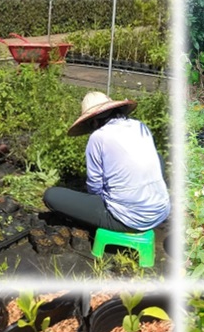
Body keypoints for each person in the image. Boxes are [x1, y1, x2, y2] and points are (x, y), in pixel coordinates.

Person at [43, 91, 170, 233]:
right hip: (161, 211)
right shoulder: (139, 125)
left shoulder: (98, 137)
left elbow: (95, 187)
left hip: (130, 220)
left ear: (94, 121)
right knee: (157, 157)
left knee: (51, 196)